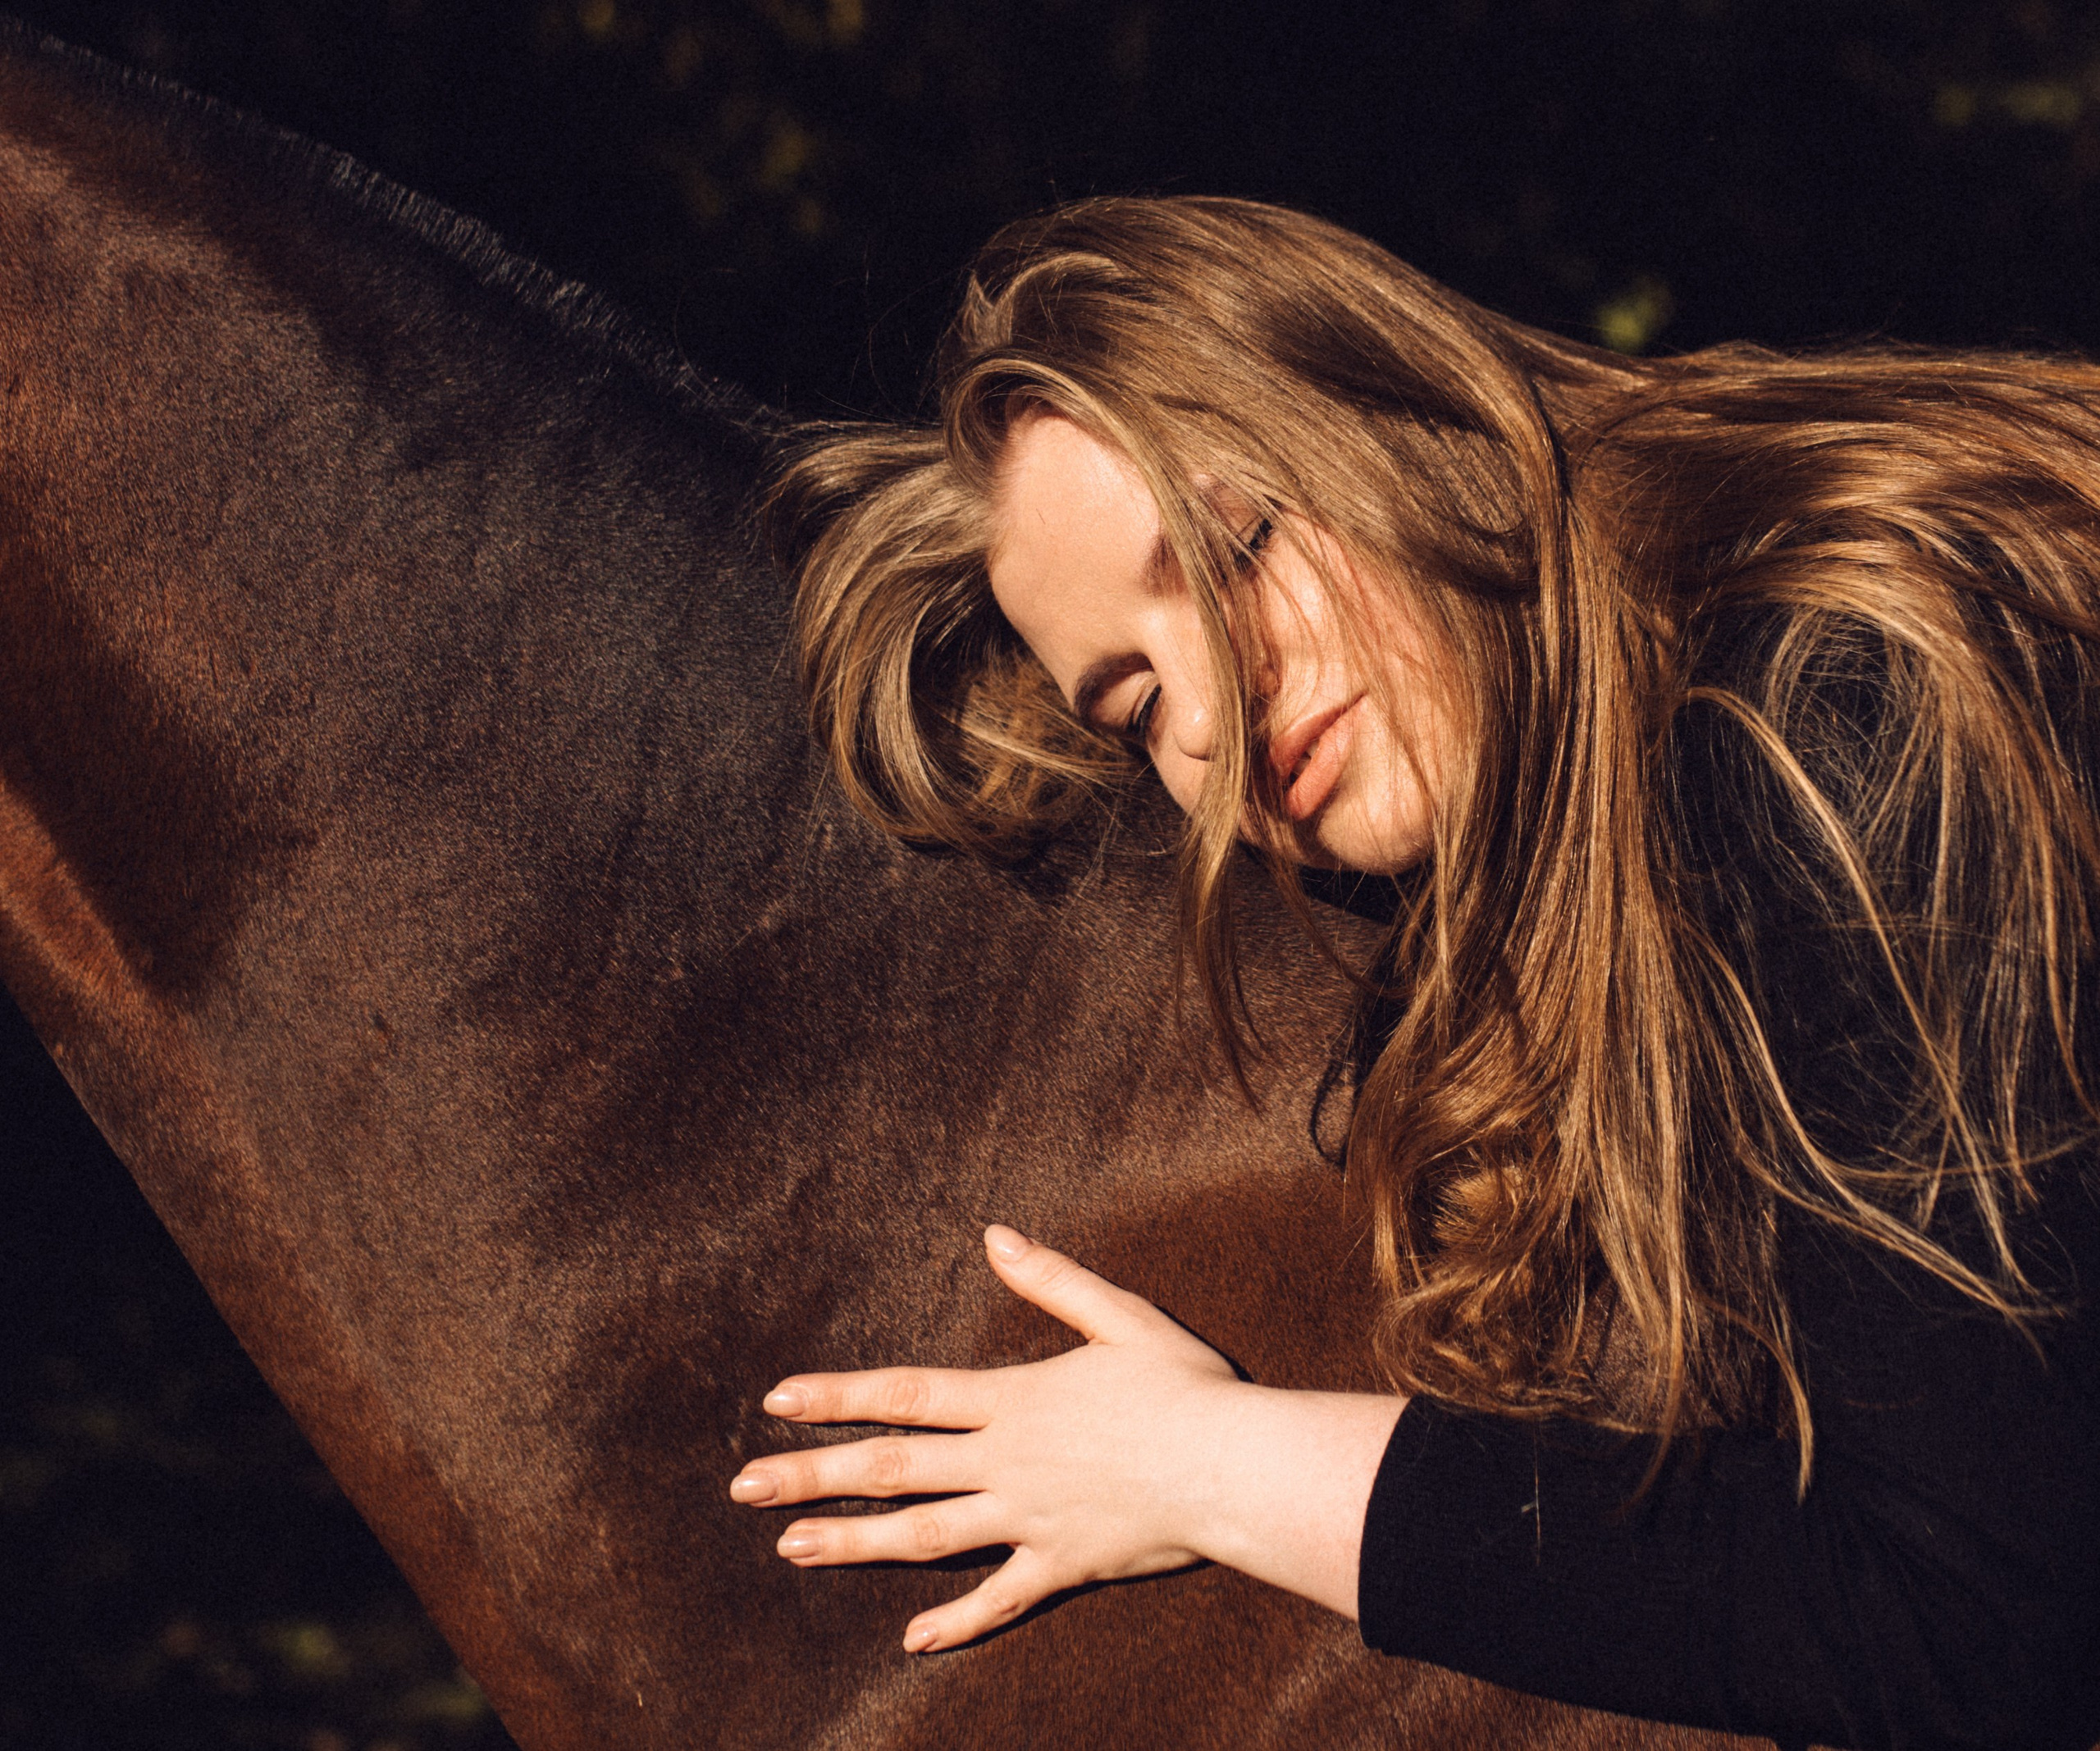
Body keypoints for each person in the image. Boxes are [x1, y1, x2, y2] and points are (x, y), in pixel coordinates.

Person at [728, 196, 2100, 1749]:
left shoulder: (1828, 710)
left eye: (1230, 548)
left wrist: (1203, 1467)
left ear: (1401, 414)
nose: (1207, 717)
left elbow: (1978, 1621)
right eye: (1130, 703)